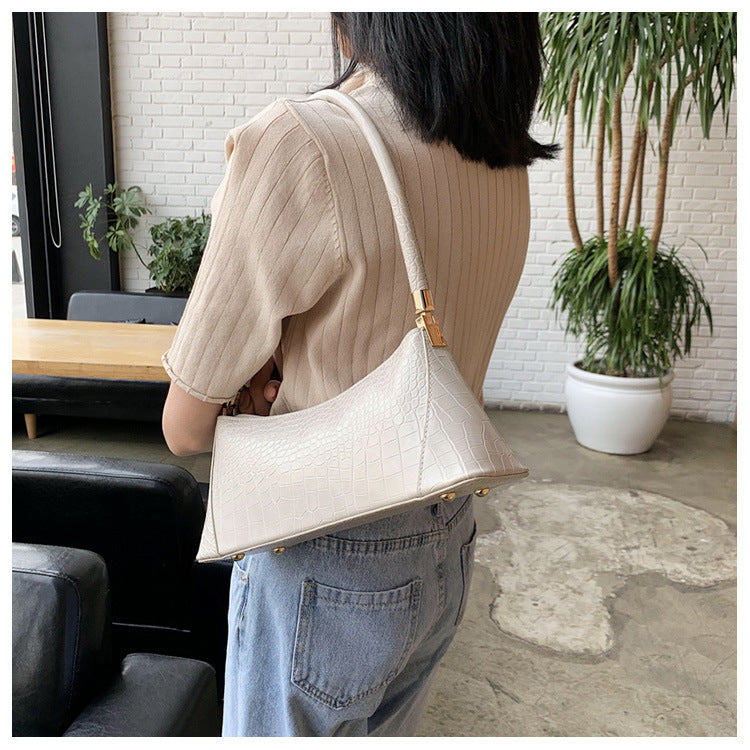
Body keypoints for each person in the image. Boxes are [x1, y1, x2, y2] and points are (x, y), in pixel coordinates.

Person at [161, 12, 555, 737]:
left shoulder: (304, 142)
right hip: (448, 535)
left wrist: (253, 383)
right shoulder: (501, 156)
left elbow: (184, 426)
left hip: (325, 550)